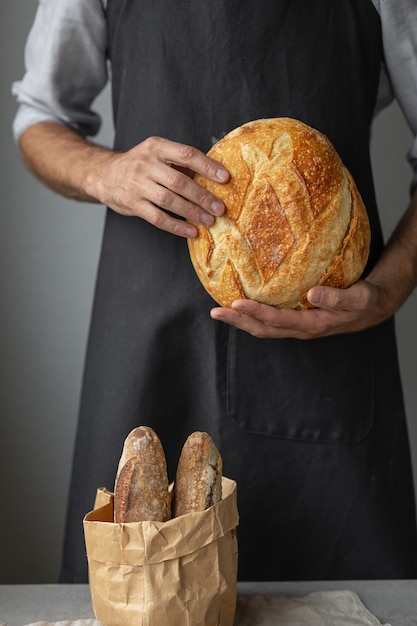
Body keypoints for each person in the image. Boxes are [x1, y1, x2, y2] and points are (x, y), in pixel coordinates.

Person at [13, 0, 417, 583]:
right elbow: (39, 116)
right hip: (149, 343)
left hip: (326, 356)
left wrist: (391, 287)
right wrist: (106, 172)